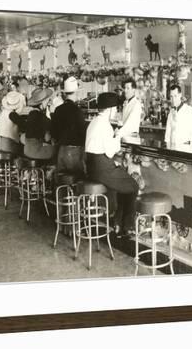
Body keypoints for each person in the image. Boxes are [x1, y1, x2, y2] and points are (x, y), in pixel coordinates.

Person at [85, 92, 140, 235]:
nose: (116, 112)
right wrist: (117, 136)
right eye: (115, 109)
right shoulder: (105, 125)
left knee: (123, 185)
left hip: (90, 167)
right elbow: (110, 152)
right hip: (102, 168)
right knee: (133, 186)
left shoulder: (93, 122)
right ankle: (128, 226)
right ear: (109, 109)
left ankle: (118, 222)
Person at [50, 76, 87, 176]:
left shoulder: (58, 110)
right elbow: (83, 133)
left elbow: (53, 133)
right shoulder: (77, 111)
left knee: (62, 181)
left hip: (61, 152)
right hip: (75, 154)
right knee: (79, 180)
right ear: (76, 92)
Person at [10, 88, 55, 160]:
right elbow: (51, 132)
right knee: (56, 151)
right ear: (42, 102)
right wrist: (52, 113)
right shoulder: (41, 116)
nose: (49, 102)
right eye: (47, 100)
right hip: (36, 151)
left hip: (27, 150)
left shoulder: (31, 114)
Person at [164, 84, 192, 153]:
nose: (173, 99)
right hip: (173, 149)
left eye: (175, 96)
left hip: (186, 150)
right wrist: (168, 150)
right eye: (171, 96)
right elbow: (167, 135)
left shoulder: (190, 111)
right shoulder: (171, 113)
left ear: (180, 95)